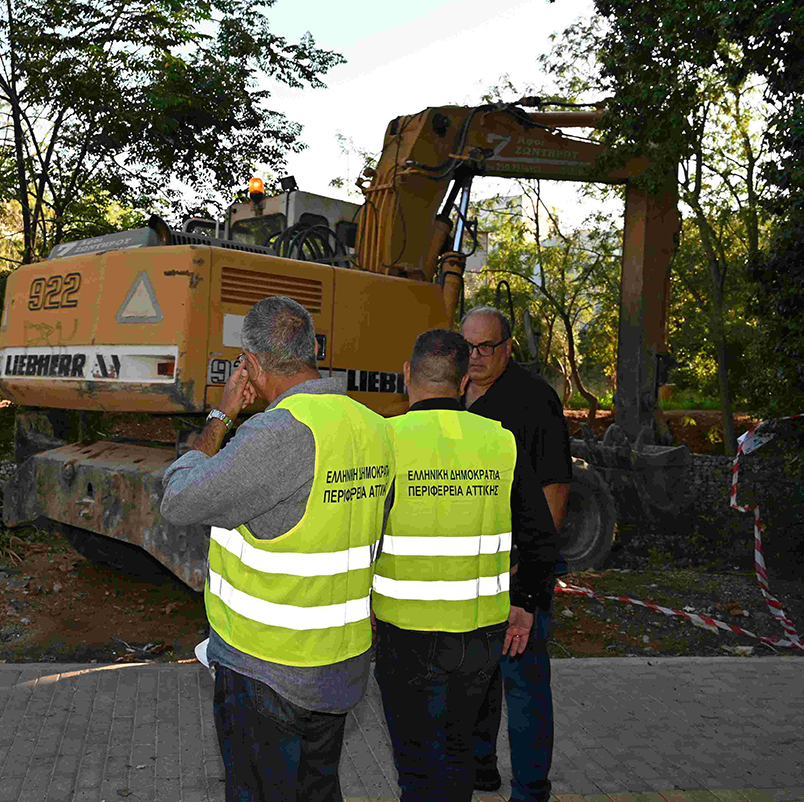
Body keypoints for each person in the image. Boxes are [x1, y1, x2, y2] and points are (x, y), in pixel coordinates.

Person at [160, 296, 394, 802]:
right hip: (339, 664)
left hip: (269, 672)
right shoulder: (374, 427)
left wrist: (222, 413)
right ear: (313, 349)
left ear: (253, 365)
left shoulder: (279, 433)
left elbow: (179, 500)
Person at [371, 328, 559, 802]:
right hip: (479, 636)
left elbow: (359, 537)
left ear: (407, 375)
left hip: (405, 636)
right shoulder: (499, 442)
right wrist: (527, 602)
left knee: (416, 769)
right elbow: (539, 535)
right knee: (457, 760)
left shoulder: (384, 441)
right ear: (461, 383)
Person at [460, 307, 572, 802]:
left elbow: (553, 491)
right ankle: (481, 766)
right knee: (475, 679)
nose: (476, 356)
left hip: (517, 571)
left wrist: (529, 575)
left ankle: (531, 790)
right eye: (468, 346)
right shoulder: (454, 396)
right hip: (470, 571)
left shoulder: (534, 402)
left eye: (487, 347)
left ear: (508, 348)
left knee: (523, 683)